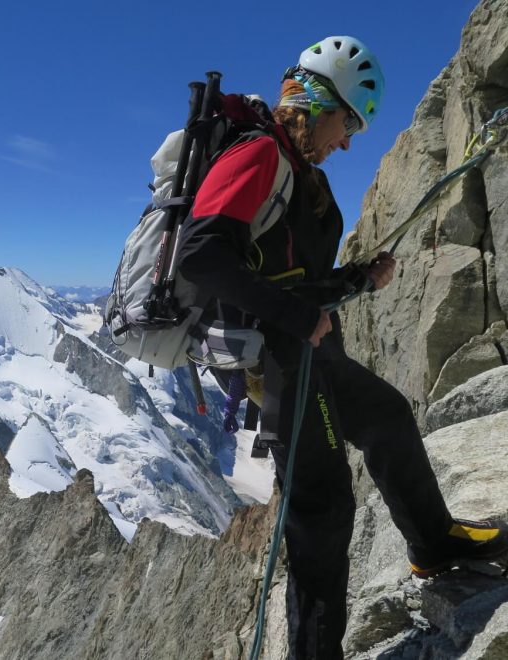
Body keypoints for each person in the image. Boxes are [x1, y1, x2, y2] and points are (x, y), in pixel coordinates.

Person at [176, 36, 508, 658]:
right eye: (349, 123)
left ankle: (435, 546)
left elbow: (286, 273)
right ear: (319, 104)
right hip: (278, 359)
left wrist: (355, 278)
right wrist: (298, 315)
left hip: (303, 345)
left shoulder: (295, 169)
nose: (349, 142)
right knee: (321, 509)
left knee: (387, 416)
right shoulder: (258, 155)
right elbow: (200, 256)